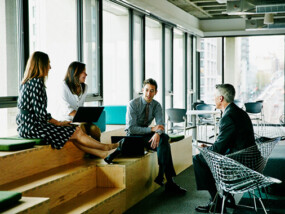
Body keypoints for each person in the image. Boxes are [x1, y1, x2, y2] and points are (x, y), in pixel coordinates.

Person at [16, 51, 118, 158]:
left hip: (25, 127)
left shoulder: (27, 82)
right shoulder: (37, 83)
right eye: (48, 64)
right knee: (76, 131)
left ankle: (103, 153)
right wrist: (59, 123)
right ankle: (106, 148)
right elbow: (41, 115)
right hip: (33, 128)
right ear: (41, 65)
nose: (50, 67)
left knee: (74, 134)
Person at [193, 84, 256, 213]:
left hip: (239, 162)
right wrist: (211, 148)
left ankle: (216, 201)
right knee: (207, 154)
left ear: (221, 98)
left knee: (199, 159)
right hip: (249, 157)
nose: (213, 99)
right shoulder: (239, 112)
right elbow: (229, 142)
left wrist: (206, 150)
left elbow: (218, 149)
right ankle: (227, 197)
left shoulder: (228, 117)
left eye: (214, 96)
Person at [125, 78, 187, 194]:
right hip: (133, 138)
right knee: (164, 143)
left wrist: (157, 133)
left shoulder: (157, 105)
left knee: (163, 138)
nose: (149, 94)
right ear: (142, 90)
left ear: (156, 92)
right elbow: (131, 128)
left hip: (147, 136)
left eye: (152, 91)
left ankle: (163, 177)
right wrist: (152, 129)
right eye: (147, 90)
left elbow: (161, 125)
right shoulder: (133, 104)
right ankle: (169, 181)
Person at [52, 61, 101, 141]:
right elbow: (67, 109)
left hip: (79, 120)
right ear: (75, 73)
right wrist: (84, 118)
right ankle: (89, 151)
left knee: (95, 130)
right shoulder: (63, 86)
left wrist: (87, 117)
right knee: (81, 128)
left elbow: (80, 107)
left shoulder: (85, 87)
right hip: (65, 121)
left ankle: (97, 151)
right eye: (83, 72)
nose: (86, 75)